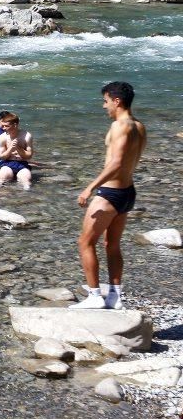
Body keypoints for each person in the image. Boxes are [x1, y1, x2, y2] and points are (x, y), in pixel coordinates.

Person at [70, 81, 146, 310]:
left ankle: (94, 296)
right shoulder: (140, 126)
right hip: (127, 193)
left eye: (105, 101)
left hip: (110, 194)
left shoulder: (119, 126)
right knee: (111, 245)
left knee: (85, 242)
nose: (104, 107)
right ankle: (114, 296)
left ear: (117, 101)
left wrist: (89, 188)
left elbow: (116, 163)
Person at [0, 113, 35, 189]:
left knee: (26, 181)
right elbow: (2, 157)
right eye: (3, 126)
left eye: (6, 126)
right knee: (1, 178)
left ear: (15, 125)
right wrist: (10, 149)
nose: (3, 128)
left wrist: (17, 147)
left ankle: (27, 198)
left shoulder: (26, 136)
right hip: (8, 163)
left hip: (22, 164)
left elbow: (29, 156)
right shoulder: (2, 137)